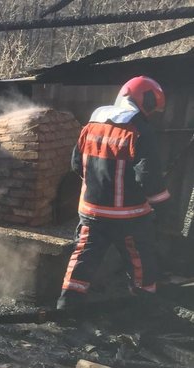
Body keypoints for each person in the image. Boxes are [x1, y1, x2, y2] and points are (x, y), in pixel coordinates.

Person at [57, 76, 171, 310]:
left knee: (83, 256)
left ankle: (67, 303)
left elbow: (76, 164)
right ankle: (145, 304)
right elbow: (148, 177)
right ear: (144, 101)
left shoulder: (92, 123)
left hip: (90, 211)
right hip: (129, 216)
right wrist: (162, 205)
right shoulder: (139, 130)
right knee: (140, 258)